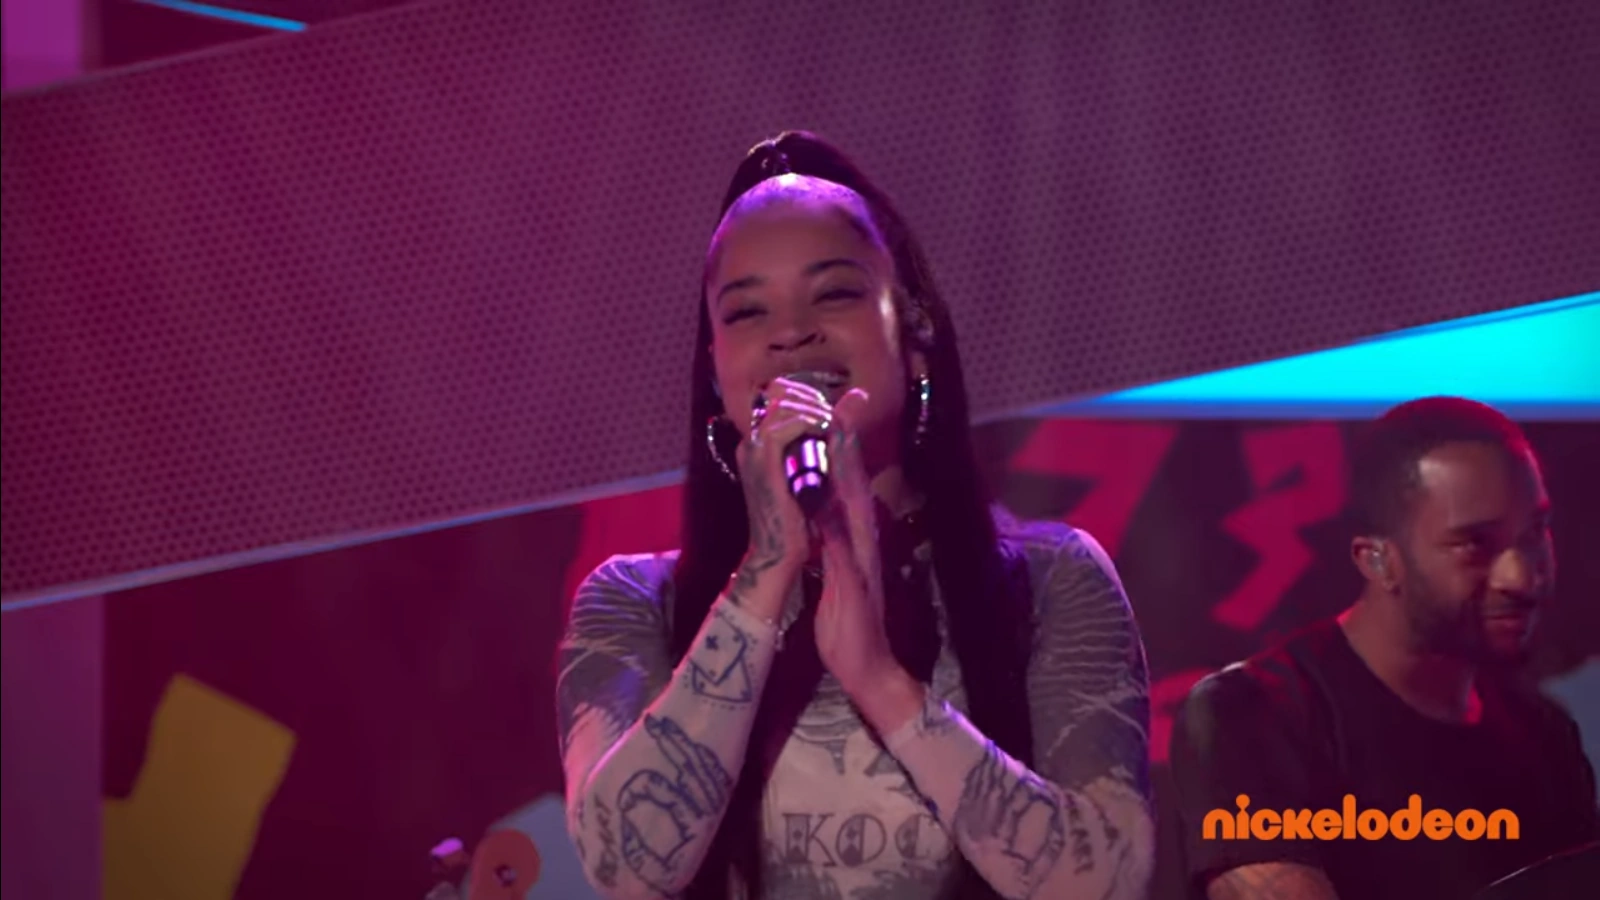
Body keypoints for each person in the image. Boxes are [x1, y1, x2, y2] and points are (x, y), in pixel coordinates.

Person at [554, 131, 1155, 900]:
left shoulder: (1052, 578)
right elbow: (625, 869)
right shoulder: (636, 602)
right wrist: (766, 573)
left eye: (833, 294)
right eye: (746, 311)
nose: (790, 333)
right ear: (715, 371)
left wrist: (879, 680)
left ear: (914, 331)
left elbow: (1108, 882)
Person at [1170, 396, 1600, 900]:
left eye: (1534, 533)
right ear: (1377, 560)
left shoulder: (1544, 733)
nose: (1521, 576)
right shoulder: (1253, 713)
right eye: (1474, 544)